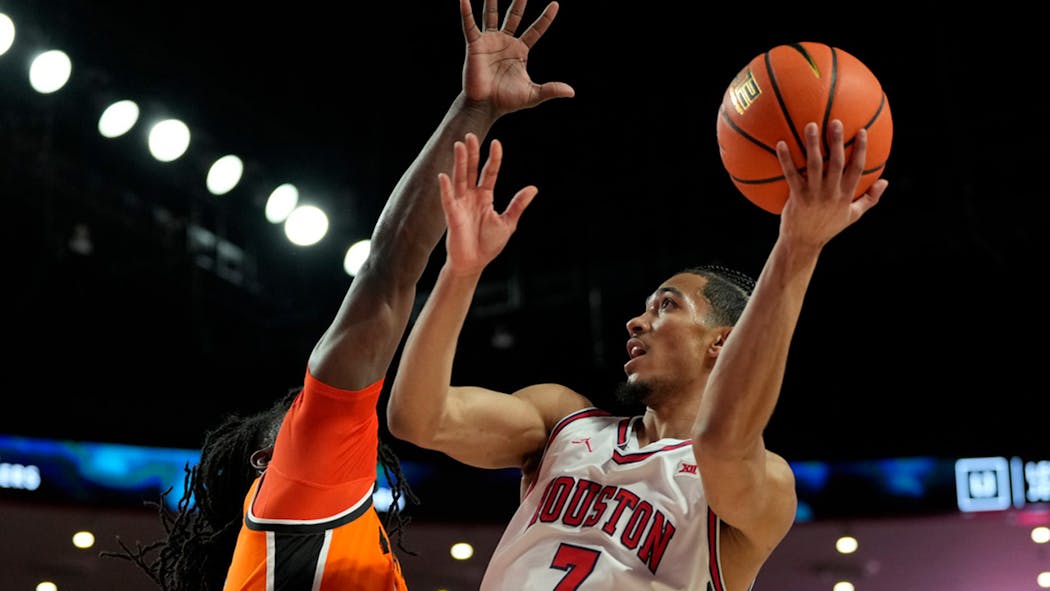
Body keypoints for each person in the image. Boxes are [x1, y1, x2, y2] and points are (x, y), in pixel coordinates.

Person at [101, 1, 574, 590]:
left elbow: (386, 277)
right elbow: (383, 277)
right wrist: (474, 110)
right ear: (266, 461)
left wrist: (475, 111)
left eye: (303, 410)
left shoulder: (305, 503)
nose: (316, 406)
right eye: (299, 412)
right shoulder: (302, 484)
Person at [387, 117, 888, 590]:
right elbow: (418, 418)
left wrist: (797, 249)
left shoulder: (764, 482)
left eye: (667, 305)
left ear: (722, 342)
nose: (636, 320)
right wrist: (460, 273)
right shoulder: (562, 422)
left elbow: (720, 441)